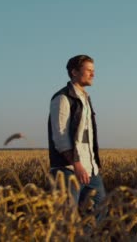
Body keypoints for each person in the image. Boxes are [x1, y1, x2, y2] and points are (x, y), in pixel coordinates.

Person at [48, 54, 106, 220]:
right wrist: (76, 163)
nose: (93, 74)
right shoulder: (62, 98)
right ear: (74, 72)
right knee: (67, 221)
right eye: (88, 70)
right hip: (68, 171)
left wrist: (93, 165)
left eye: (93, 70)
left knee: (98, 213)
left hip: (90, 170)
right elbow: (60, 136)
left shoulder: (85, 98)